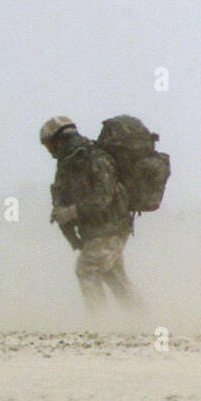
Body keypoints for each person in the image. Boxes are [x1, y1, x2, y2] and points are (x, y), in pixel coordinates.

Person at [41, 116, 140, 311]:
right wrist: (69, 230)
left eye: (49, 145)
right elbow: (62, 195)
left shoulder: (95, 159)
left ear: (59, 140)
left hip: (111, 227)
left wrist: (71, 212)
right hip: (95, 230)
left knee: (88, 270)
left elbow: (104, 197)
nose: (50, 151)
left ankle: (98, 324)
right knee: (114, 277)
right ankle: (142, 319)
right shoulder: (67, 164)